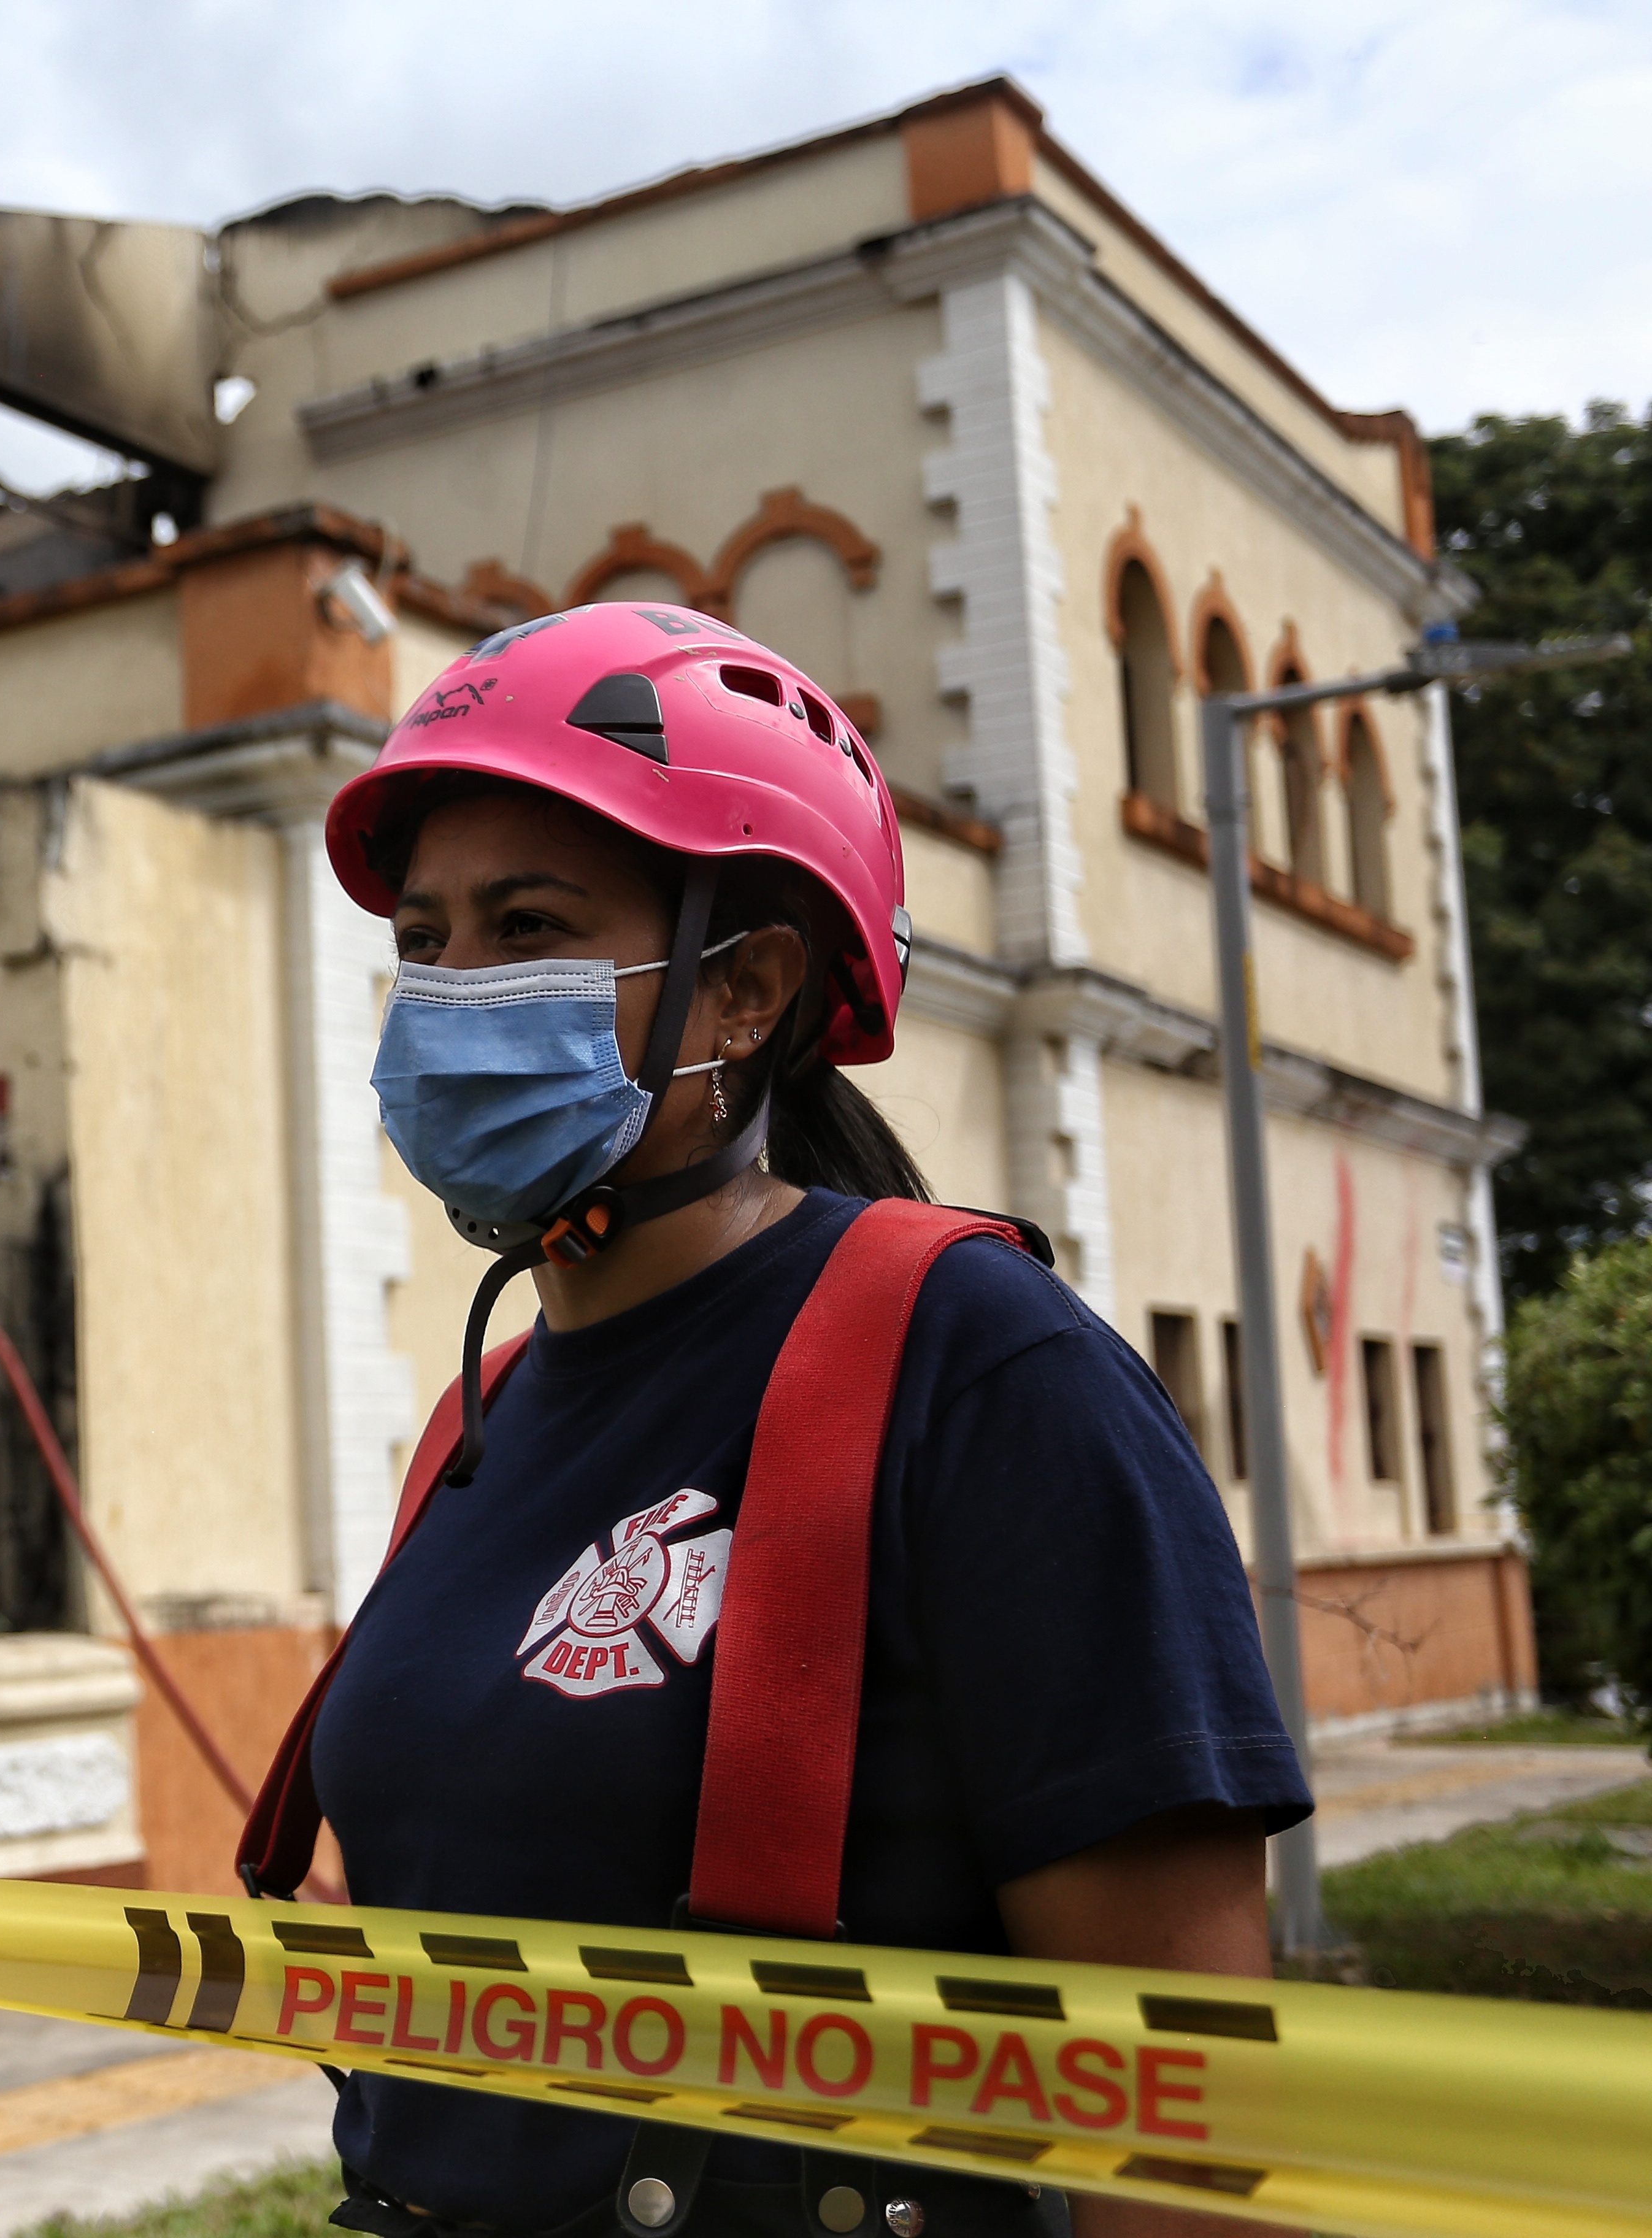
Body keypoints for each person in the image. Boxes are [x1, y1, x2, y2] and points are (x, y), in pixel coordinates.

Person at [291, 603, 1310, 2238]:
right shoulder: (473, 1424)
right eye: (425, 940)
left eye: (530, 926)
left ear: (747, 988)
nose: (453, 993)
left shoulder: (980, 1373)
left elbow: (1186, 2126)